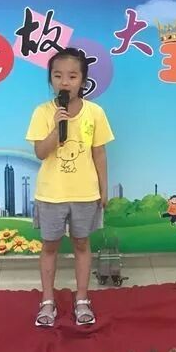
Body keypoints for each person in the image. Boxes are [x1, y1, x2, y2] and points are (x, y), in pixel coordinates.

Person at [25, 47, 114, 328]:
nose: (65, 82)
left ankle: (82, 299)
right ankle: (47, 301)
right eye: (58, 75)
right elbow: (41, 153)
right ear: (50, 79)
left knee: (82, 244)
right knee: (49, 246)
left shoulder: (95, 113)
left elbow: (99, 153)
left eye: (72, 76)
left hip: (85, 193)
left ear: (83, 81)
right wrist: (56, 128)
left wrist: (103, 188)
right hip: (51, 193)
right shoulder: (42, 112)